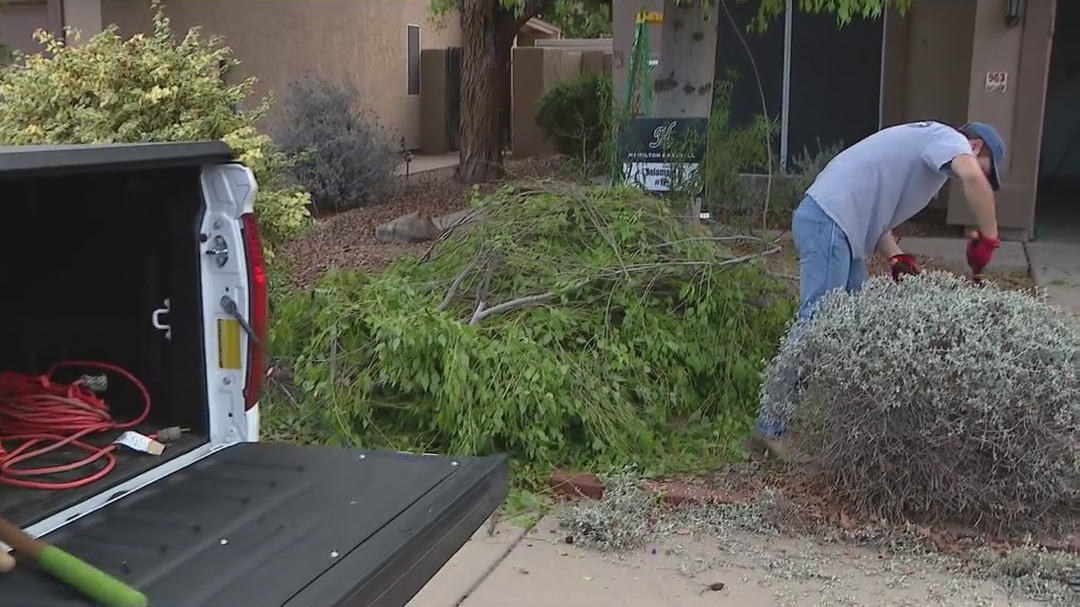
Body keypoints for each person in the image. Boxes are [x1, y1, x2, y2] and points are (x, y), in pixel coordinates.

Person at [749, 120, 1007, 461]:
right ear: (974, 148)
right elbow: (974, 178)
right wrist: (988, 237)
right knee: (816, 325)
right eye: (986, 170)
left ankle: (838, 421)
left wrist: (895, 256)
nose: (980, 180)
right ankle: (771, 429)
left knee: (852, 326)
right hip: (830, 222)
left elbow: (878, 213)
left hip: (840, 225)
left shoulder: (927, 146)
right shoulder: (947, 140)